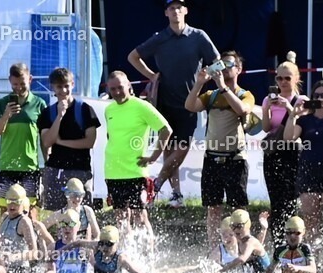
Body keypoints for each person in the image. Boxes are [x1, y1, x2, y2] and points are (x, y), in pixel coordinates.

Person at [128, 0, 219, 207]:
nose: (176, 11)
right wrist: (152, 76)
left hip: (189, 103)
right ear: (166, 13)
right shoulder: (160, 38)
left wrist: (207, 80)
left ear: (186, 11)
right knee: (170, 150)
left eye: (179, 7)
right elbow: (133, 57)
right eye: (171, 8)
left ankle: (156, 184)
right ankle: (176, 195)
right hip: (164, 102)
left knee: (182, 148)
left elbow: (216, 61)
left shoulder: (198, 36)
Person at [185, 50, 255, 246]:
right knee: (213, 209)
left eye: (229, 65)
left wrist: (224, 87)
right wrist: (199, 82)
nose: (224, 69)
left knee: (238, 210)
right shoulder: (211, 95)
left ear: (239, 69)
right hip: (212, 158)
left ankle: (244, 248)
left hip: (235, 159)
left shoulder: (245, 94)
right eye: (221, 65)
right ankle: (214, 250)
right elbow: (190, 106)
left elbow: (242, 109)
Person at [103, 71, 172, 243]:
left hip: (135, 172)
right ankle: (128, 256)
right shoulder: (109, 109)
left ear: (128, 85)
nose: (117, 92)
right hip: (113, 172)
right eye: (113, 89)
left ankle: (150, 259)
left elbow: (166, 130)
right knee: (121, 219)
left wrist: (153, 156)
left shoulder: (141, 106)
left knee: (140, 216)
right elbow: (111, 137)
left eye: (120, 88)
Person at [282, 80, 323, 248]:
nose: (320, 99)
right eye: (316, 96)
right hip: (309, 168)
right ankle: (312, 256)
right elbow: (288, 138)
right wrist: (293, 115)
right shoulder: (305, 120)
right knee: (310, 218)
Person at [37, 66, 100, 212]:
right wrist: (60, 115)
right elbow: (47, 141)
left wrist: (61, 142)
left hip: (80, 169)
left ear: (73, 85)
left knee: (82, 213)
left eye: (66, 86)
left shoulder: (85, 109)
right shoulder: (48, 113)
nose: (64, 91)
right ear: (52, 87)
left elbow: (90, 142)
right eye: (59, 87)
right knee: (57, 214)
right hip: (56, 169)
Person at [260, 53, 305, 247]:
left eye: (287, 78)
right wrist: (266, 109)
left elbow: (301, 126)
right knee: (277, 201)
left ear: (296, 78)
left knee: (292, 200)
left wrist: (288, 107)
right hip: (273, 153)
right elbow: (266, 128)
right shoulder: (268, 99)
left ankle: (295, 242)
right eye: (279, 78)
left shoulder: (301, 99)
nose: (283, 82)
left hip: (293, 152)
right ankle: (278, 244)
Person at [0, 63, 46, 218]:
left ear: (30, 79)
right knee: (6, 211)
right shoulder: (1, 104)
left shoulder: (39, 104)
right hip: (6, 166)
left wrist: (47, 162)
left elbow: (43, 138)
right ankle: (4, 241)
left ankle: (32, 241)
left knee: (31, 211)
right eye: (15, 84)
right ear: (10, 81)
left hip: (29, 166)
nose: (19, 88)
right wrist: (6, 115)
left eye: (22, 83)